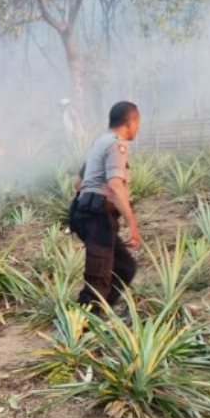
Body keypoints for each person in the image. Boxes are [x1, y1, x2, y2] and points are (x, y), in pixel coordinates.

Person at [69, 101, 142, 311]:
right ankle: (77, 331)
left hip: (88, 213)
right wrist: (133, 225)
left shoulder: (100, 142)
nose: (138, 128)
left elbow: (79, 182)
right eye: (138, 123)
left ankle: (97, 314)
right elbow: (115, 185)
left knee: (125, 267)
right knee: (98, 281)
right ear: (131, 122)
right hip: (97, 217)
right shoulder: (116, 145)